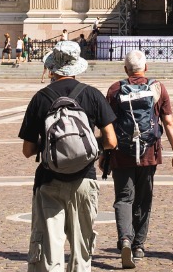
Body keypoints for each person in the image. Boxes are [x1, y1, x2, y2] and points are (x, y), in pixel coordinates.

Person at [20, 41, 118, 272]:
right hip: (84, 179)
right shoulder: (92, 94)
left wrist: (51, 147)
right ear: (76, 67)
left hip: (49, 180)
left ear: (53, 68)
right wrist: (91, 148)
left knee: (49, 250)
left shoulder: (41, 98)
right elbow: (112, 141)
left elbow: (27, 150)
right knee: (81, 251)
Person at [107, 49, 173, 269]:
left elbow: (107, 125)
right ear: (145, 68)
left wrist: (104, 154)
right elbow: (168, 123)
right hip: (149, 152)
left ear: (125, 70)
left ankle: (125, 240)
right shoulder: (158, 88)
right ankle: (138, 245)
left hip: (122, 152)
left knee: (123, 198)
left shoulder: (115, 89)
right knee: (144, 199)